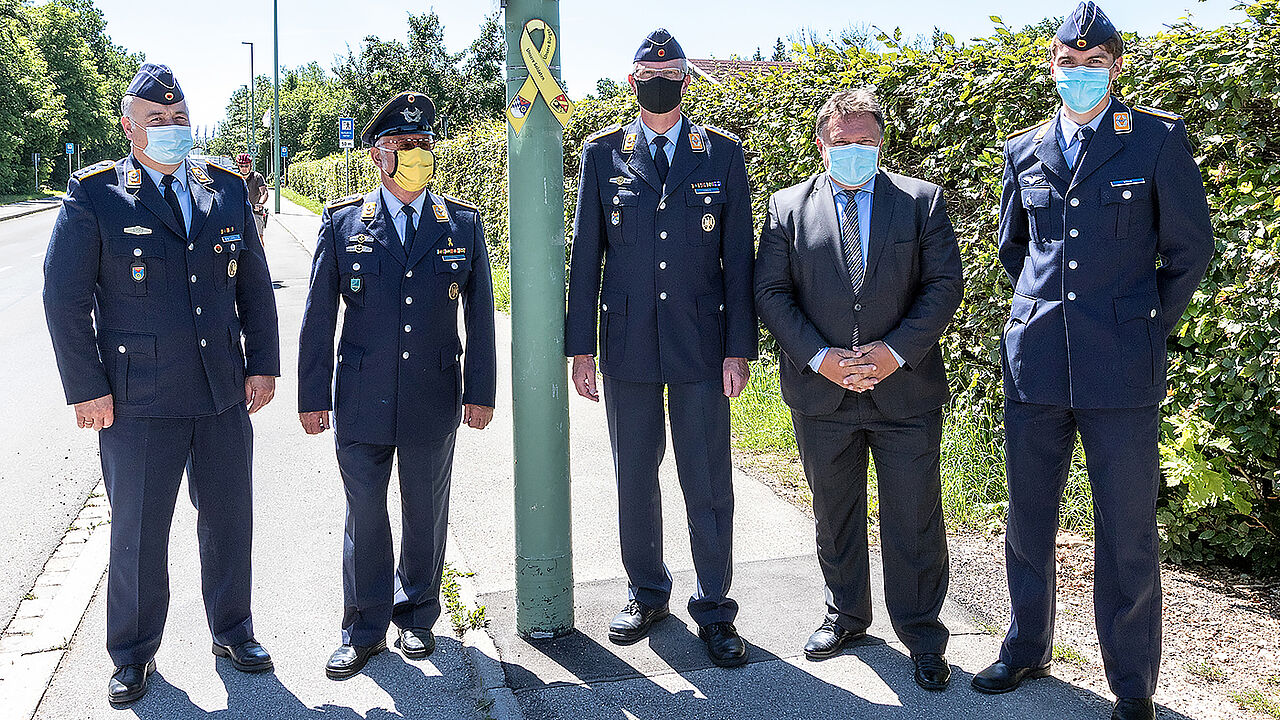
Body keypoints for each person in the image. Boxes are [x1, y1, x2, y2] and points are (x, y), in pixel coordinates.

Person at [972, 4, 1214, 719]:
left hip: (1121, 370)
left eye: (1094, 62)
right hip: (1037, 364)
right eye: (1067, 63)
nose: (1080, 74)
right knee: (1028, 519)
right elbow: (1015, 251)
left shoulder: (1157, 143)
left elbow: (1189, 251)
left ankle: (1132, 685)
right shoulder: (1024, 148)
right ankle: (1025, 647)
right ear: (1053, 67)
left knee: (1127, 530)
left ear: (1116, 65)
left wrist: (1139, 324)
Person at [42, 63, 280, 705]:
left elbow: (253, 286)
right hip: (137, 399)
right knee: (140, 534)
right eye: (156, 120)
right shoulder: (96, 197)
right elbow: (64, 298)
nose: (171, 130)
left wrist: (263, 363)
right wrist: (85, 387)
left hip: (221, 391)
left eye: (179, 120)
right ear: (129, 126)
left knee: (230, 522)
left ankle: (233, 630)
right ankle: (133, 654)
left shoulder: (224, 190)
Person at [754, 87, 964, 690]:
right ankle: (846, 614)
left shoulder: (920, 202)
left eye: (866, 143)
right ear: (822, 142)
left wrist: (894, 352)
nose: (854, 152)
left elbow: (942, 284)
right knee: (834, 512)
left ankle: (922, 634)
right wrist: (820, 359)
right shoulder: (786, 207)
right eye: (843, 143)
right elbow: (771, 291)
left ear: (881, 144)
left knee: (914, 517)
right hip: (823, 396)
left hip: (905, 393)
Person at [565, 28, 757, 668]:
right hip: (627, 344)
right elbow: (585, 256)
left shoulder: (723, 155)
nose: (659, 81)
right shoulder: (601, 154)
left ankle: (715, 607)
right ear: (630, 81)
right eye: (649, 72)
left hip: (701, 343)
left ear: (686, 81)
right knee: (634, 475)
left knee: (706, 477)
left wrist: (739, 348)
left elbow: (738, 261)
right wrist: (581, 347)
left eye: (671, 71)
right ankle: (646, 591)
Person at [297, 91, 497, 680]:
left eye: (424, 144)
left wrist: (479, 391)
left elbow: (481, 317)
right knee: (365, 513)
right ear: (377, 155)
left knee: (424, 511)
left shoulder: (460, 223)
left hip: (433, 396)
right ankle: (362, 629)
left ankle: (417, 616)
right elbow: (317, 318)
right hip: (359, 398)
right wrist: (312, 398)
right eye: (402, 145)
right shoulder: (343, 224)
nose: (416, 153)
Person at [237, 153, 269, 239]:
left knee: (258, 238)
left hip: (255, 212)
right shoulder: (236, 178)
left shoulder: (257, 177)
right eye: (241, 166)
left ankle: (261, 252)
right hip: (239, 214)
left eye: (246, 166)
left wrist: (260, 203)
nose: (244, 168)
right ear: (238, 166)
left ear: (250, 166)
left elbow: (264, 192)